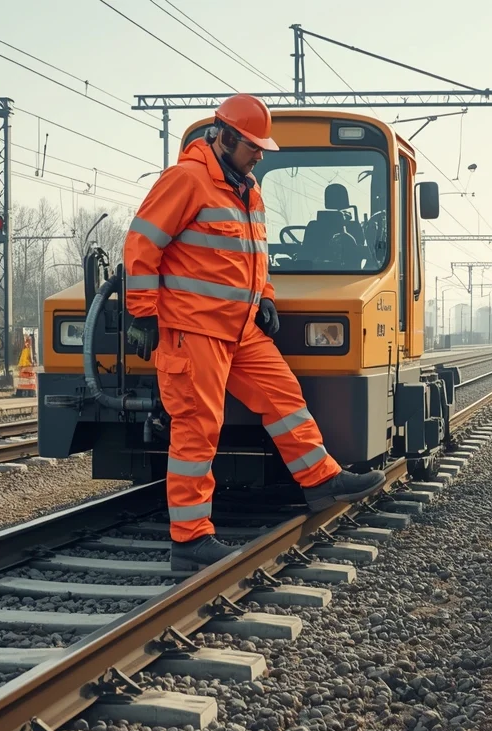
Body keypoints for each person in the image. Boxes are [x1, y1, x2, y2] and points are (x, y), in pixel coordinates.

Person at [122, 94, 387, 571]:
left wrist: (263, 294)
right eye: (253, 146)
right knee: (197, 430)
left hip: (239, 329)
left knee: (284, 397)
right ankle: (189, 541)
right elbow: (142, 243)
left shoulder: (247, 189)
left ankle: (320, 480)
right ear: (224, 137)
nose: (261, 155)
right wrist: (142, 313)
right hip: (192, 330)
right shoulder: (186, 180)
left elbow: (253, 255)